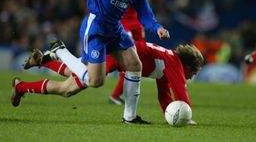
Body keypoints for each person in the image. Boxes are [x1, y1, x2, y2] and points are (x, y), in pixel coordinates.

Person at [12, 0, 170, 124]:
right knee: (92, 82)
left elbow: (145, 13)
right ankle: (60, 51)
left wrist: (156, 27)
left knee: (133, 65)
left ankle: (130, 117)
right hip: (96, 28)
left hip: (115, 29)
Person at [12, 41, 204, 125]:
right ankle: (24, 83)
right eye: (192, 73)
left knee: (75, 74)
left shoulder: (168, 61)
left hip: (121, 55)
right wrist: (187, 116)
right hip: (119, 55)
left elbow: (164, 95)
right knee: (68, 88)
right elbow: (181, 93)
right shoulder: (175, 64)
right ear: (187, 66)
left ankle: (44, 61)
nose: (190, 76)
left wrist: (169, 115)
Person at [108, 0, 181, 105]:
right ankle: (116, 93)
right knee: (128, 57)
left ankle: (120, 95)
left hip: (138, 22)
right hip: (120, 21)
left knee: (136, 60)